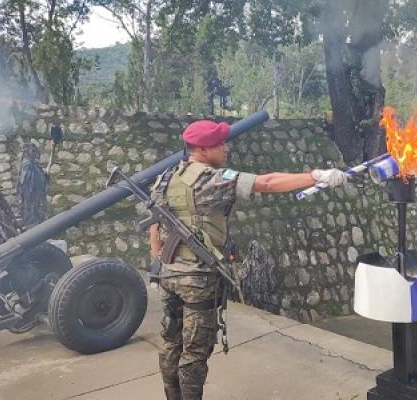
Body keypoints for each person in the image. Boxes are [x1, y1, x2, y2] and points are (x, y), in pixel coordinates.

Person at [149, 120, 348, 400]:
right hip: (198, 280)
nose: (226, 148)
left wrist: (159, 258)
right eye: (220, 144)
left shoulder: (167, 176)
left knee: (171, 343)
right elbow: (266, 182)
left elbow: (154, 225)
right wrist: (316, 176)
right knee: (194, 353)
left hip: (168, 275)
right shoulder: (212, 179)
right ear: (204, 149)